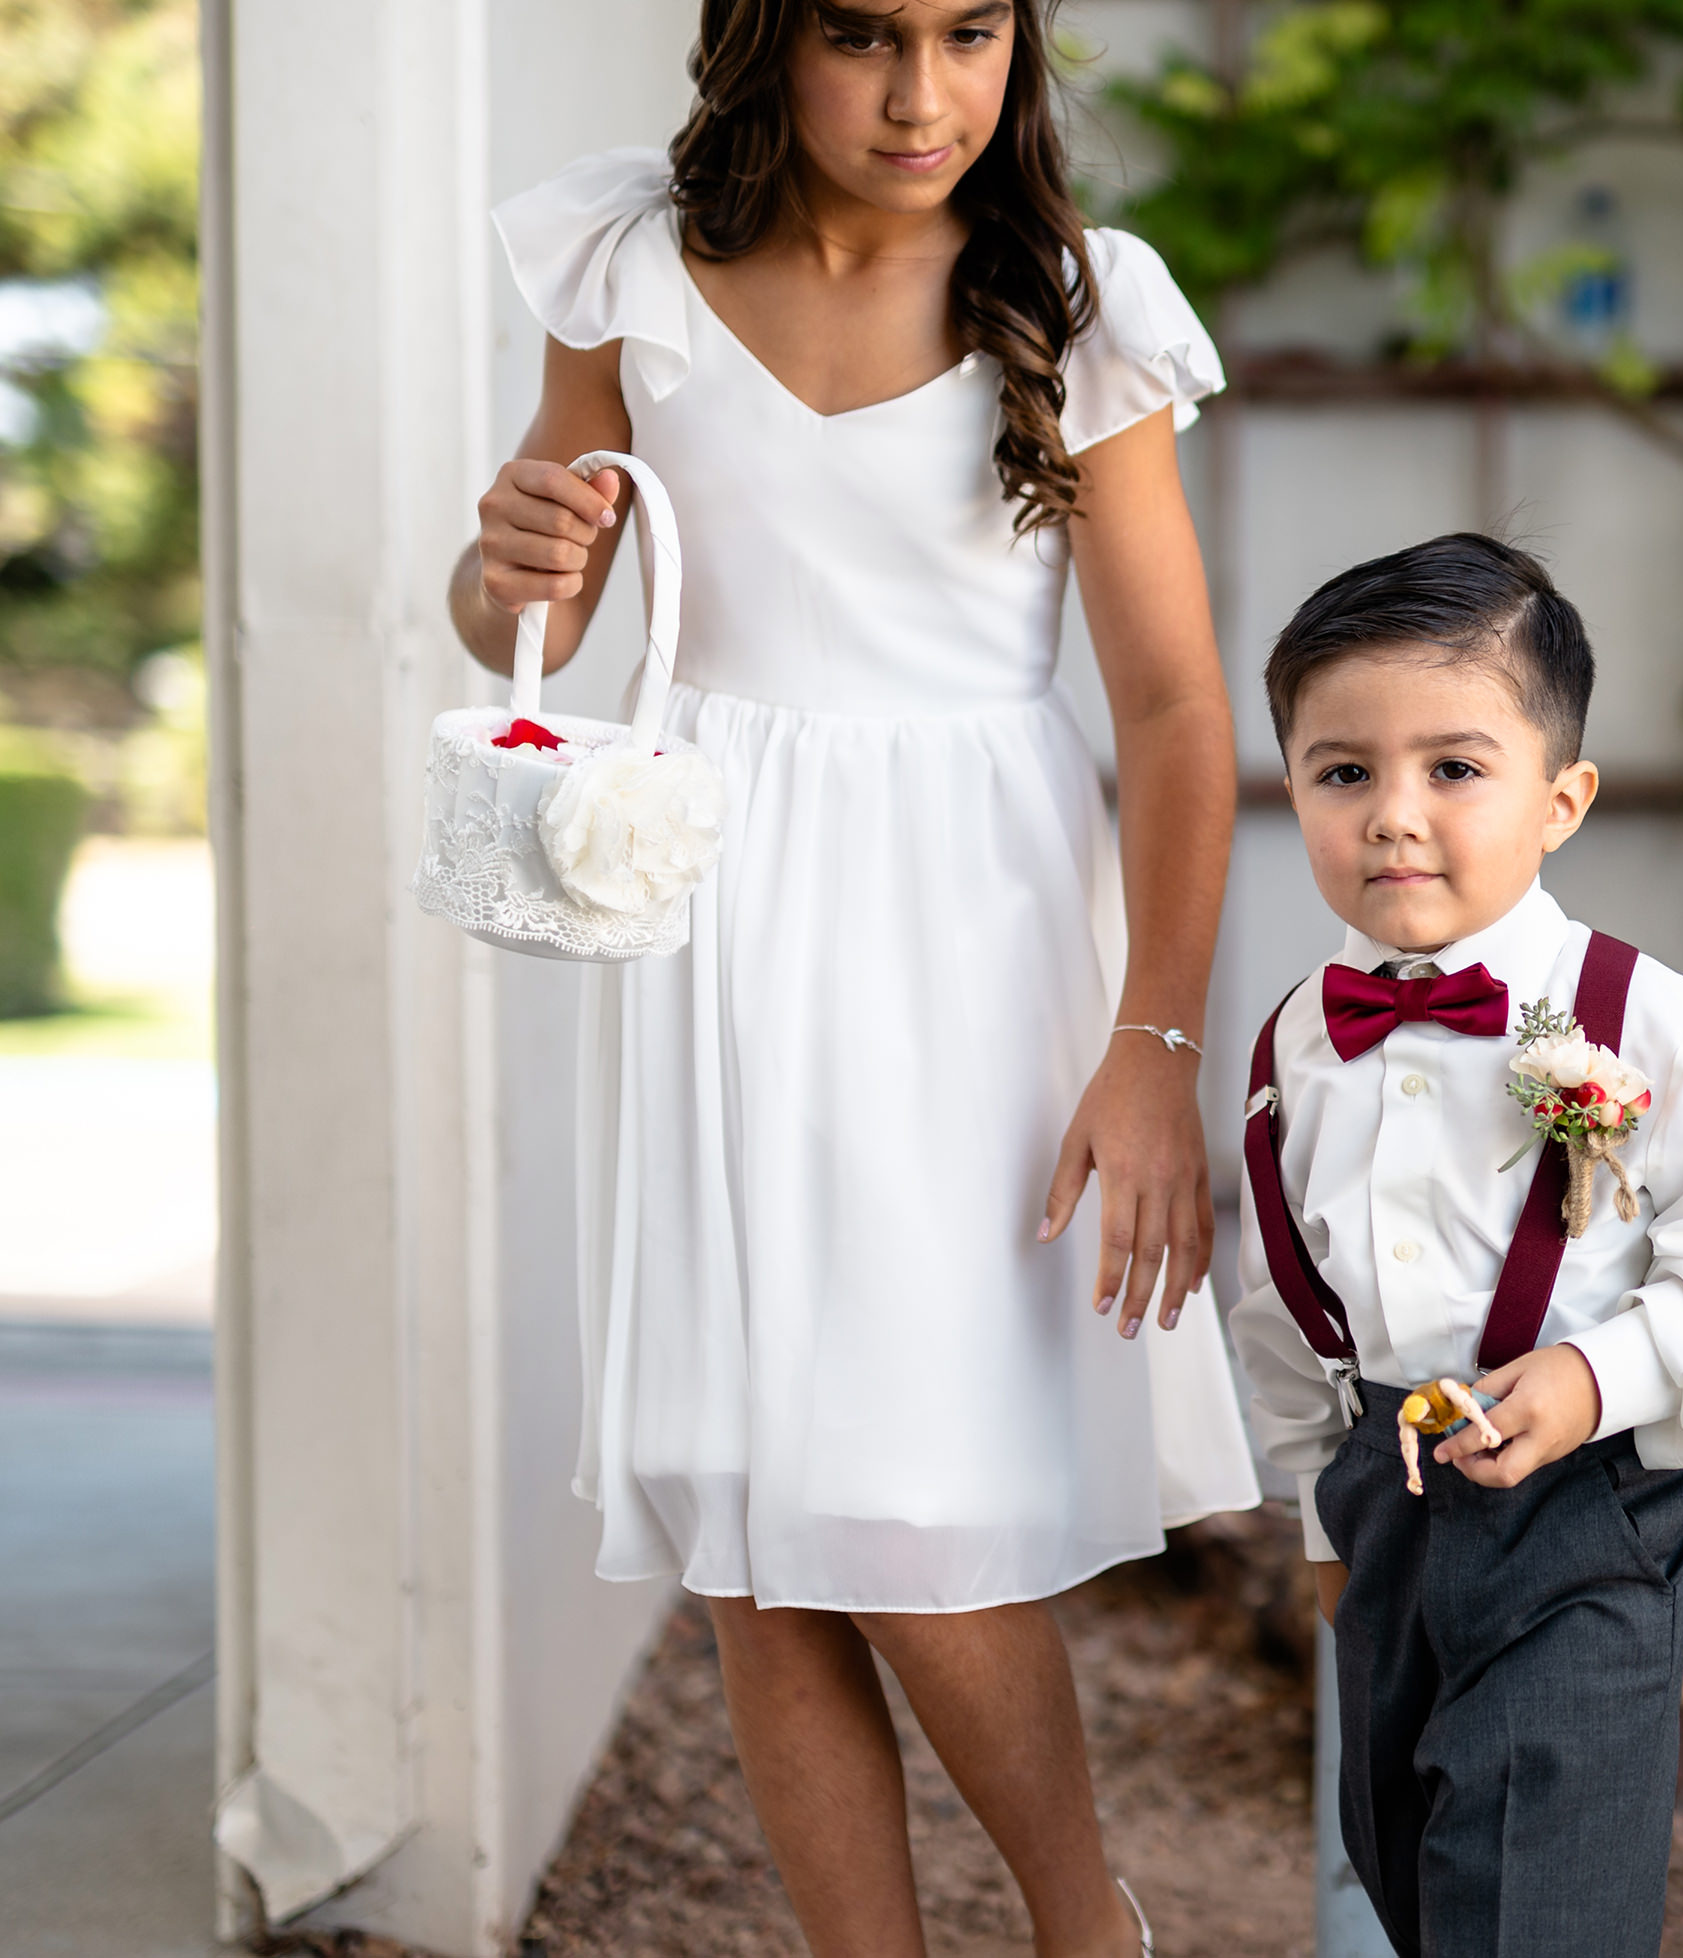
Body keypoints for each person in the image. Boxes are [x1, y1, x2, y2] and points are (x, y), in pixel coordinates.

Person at [448, 3, 1257, 1951]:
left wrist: (1152, 1044)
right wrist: (504, 558)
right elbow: (521, 624)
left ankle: (1088, 1927)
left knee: (902, 1500)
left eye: (970, 33)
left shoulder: (1074, 301)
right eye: (864, 37)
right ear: (762, 39)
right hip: (713, 909)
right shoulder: (627, 262)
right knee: (753, 1521)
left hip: (966, 932)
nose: (922, 95)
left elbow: (1168, 708)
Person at [1229, 535, 1683, 1957]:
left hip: (1584, 1512)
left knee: (1532, 1885)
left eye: (1451, 768)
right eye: (1341, 772)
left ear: (1559, 798)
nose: (1392, 815)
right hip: (1382, 1501)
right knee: (1405, 1859)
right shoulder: (1296, 1044)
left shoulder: (1649, 1019)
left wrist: (1595, 1375)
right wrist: (1325, 1528)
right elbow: (1281, 1300)